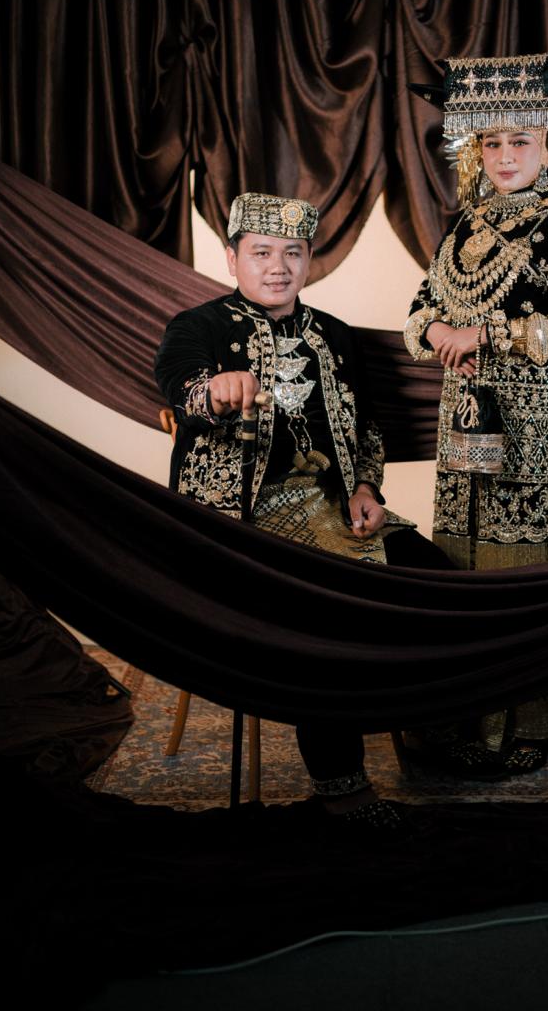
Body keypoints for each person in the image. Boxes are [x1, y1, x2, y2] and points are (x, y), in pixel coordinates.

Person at [155, 191, 447, 830]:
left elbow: (367, 430)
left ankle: (433, 726)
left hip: (333, 508)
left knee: (440, 580)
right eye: (261, 252)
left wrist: (365, 491)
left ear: (310, 259)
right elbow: (180, 386)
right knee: (327, 612)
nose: (278, 267)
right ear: (232, 258)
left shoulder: (334, 335)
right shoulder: (197, 328)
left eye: (292, 253)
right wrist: (216, 391)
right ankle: (340, 782)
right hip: (236, 523)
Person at [403, 53, 548, 779]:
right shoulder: (464, 226)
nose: (505, 156)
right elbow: (419, 310)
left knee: (522, 577)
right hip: (463, 422)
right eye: (491, 143)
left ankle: (531, 725)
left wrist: (485, 334)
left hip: (534, 427)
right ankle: (468, 717)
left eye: (520, 141)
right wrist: (435, 329)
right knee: (464, 569)